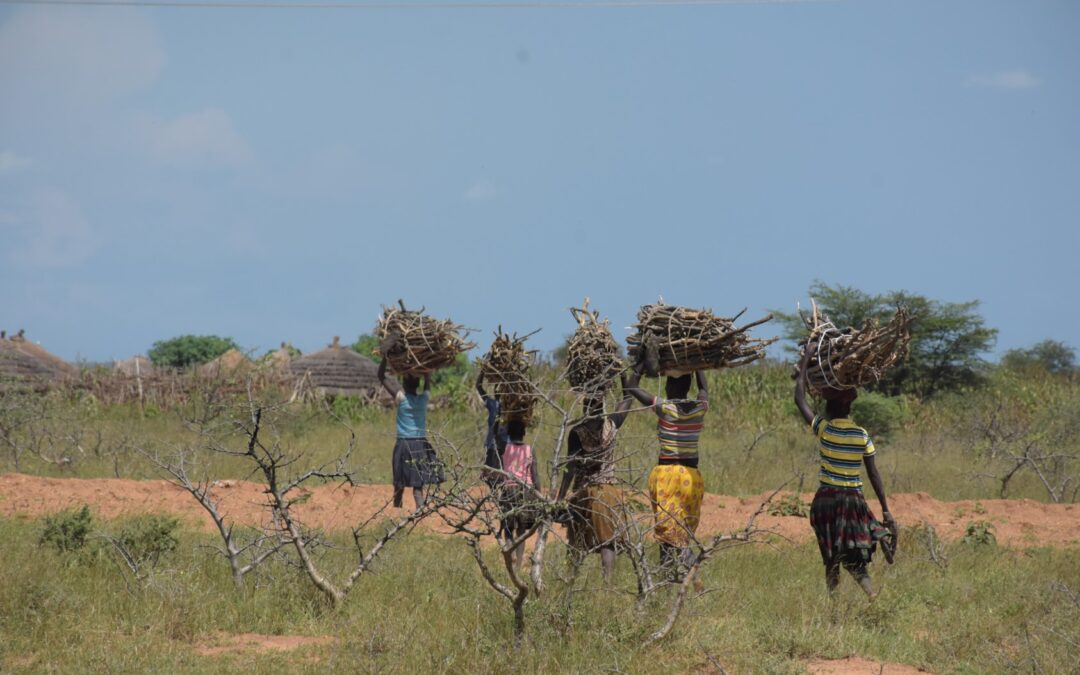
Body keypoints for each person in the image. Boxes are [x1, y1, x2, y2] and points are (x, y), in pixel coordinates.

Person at [794, 348, 897, 599]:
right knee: (852, 550)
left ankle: (834, 605)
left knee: (831, 555)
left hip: (827, 501)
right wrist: (885, 509)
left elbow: (799, 400)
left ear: (830, 405)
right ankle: (870, 589)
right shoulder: (861, 435)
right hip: (853, 502)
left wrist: (807, 359)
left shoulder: (825, 429)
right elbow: (873, 475)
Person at [624, 366, 709, 580]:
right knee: (683, 532)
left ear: (670, 386)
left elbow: (632, 387)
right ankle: (681, 576)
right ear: (688, 386)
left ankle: (672, 576)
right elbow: (704, 387)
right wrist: (697, 363)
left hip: (667, 477)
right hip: (692, 479)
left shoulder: (665, 407)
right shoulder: (700, 407)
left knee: (666, 533)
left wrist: (639, 364)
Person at [555, 376, 634, 581]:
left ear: (585, 407)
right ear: (602, 407)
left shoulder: (577, 433)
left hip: (583, 492)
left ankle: (570, 580)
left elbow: (570, 467)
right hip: (608, 491)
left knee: (576, 540)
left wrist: (561, 498)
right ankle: (607, 584)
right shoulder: (611, 425)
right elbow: (628, 397)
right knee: (607, 541)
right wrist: (623, 374)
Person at [378, 354, 444, 511]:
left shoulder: (401, 398)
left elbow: (381, 376)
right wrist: (425, 367)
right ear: (418, 385)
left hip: (403, 444)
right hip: (420, 444)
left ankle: (396, 511)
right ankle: (420, 512)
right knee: (417, 485)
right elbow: (427, 384)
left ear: (404, 385)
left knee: (399, 482)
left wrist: (386, 356)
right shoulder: (424, 400)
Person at [497, 418, 542, 570]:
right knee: (521, 529)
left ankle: (510, 558)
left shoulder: (504, 447)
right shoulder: (530, 449)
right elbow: (535, 475)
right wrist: (539, 495)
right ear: (524, 433)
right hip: (525, 491)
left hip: (508, 491)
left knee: (508, 528)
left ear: (508, 432)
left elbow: (497, 431)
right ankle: (519, 563)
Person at [476, 372, 509, 489]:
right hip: (502, 444)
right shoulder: (507, 406)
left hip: (497, 445)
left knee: (493, 473)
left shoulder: (495, 404)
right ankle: (497, 493)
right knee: (498, 473)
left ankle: (496, 493)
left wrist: (482, 372)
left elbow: (478, 386)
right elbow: (479, 387)